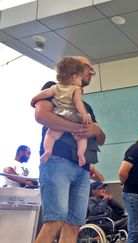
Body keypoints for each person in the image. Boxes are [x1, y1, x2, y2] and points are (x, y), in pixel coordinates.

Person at [34, 56, 106, 243]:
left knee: (74, 225)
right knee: (54, 222)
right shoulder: (53, 87)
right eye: (88, 68)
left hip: (82, 169)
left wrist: (96, 130)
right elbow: (41, 115)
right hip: (57, 162)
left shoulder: (85, 105)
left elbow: (101, 139)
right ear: (74, 69)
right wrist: (76, 128)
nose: (91, 72)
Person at [31, 57, 91, 166]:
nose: (80, 81)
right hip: (73, 115)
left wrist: (34, 99)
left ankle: (48, 150)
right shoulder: (76, 89)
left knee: (50, 135)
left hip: (59, 113)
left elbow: (44, 94)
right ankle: (81, 153)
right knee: (82, 137)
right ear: (74, 77)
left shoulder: (55, 88)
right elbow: (78, 103)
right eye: (80, 78)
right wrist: (83, 114)